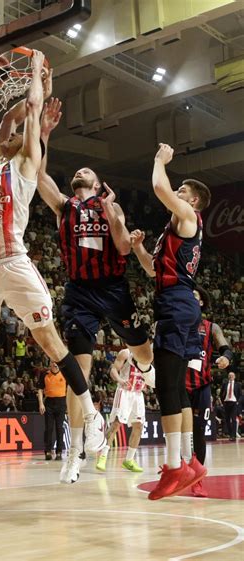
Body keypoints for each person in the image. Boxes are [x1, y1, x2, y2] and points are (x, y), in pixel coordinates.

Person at [0, 51, 96, 461]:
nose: (9, 132)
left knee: (49, 341)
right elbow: (10, 119)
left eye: (20, 132)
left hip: (14, 264)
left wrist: (39, 74)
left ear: (29, 143)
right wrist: (25, 102)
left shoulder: (25, 164)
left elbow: (32, 112)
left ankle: (90, 413)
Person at [37, 98, 153, 484]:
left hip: (114, 287)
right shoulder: (64, 206)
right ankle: (75, 452)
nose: (80, 170)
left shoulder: (111, 208)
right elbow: (38, 174)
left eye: (87, 169)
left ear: (99, 184)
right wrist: (44, 135)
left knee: (144, 352)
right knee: (78, 372)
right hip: (79, 292)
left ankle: (152, 374)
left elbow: (121, 247)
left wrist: (112, 213)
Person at [130, 143, 211, 500]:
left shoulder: (189, 219)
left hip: (177, 304)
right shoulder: (177, 229)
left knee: (166, 387)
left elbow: (160, 188)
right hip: (174, 302)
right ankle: (188, 461)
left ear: (193, 202)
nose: (177, 194)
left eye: (184, 193)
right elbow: (152, 268)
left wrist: (159, 160)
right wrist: (137, 249)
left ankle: (174, 466)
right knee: (175, 388)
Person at [185, 286, 232, 497]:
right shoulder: (176, 324)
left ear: (202, 303)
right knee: (180, 434)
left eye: (195, 297)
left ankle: (197, 480)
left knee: (199, 433)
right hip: (179, 387)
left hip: (202, 386)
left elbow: (226, 348)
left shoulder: (211, 327)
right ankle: (180, 473)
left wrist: (226, 358)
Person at [96, 348, 155, 473]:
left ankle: (129, 460)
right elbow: (113, 370)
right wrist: (120, 380)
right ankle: (103, 456)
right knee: (116, 424)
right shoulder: (126, 353)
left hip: (138, 394)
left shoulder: (148, 355)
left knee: (138, 426)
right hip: (124, 392)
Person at [37, 361, 67, 461]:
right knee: (48, 428)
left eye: (56, 363)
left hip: (61, 402)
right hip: (49, 403)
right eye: (52, 363)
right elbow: (40, 390)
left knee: (59, 428)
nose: (54, 364)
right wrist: (41, 403)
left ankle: (59, 452)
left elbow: (70, 390)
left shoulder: (64, 373)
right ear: (50, 364)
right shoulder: (44, 374)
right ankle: (48, 451)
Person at [221, 372, 241, 442]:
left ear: (234, 377)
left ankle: (233, 436)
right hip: (226, 402)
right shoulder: (225, 384)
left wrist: (237, 401)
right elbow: (221, 393)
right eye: (229, 375)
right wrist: (222, 401)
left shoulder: (237, 384)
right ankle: (230, 434)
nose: (231, 376)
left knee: (233, 419)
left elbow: (240, 394)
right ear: (228, 377)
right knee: (227, 419)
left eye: (232, 375)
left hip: (234, 403)